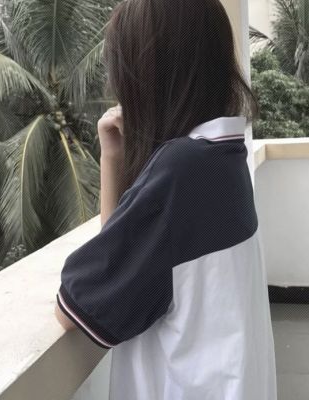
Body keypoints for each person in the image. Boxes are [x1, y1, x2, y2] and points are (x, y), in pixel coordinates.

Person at [54, 0, 277, 399]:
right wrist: (113, 158)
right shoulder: (223, 156)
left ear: (148, 74)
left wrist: (114, 160)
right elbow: (123, 258)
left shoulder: (181, 172)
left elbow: (75, 306)